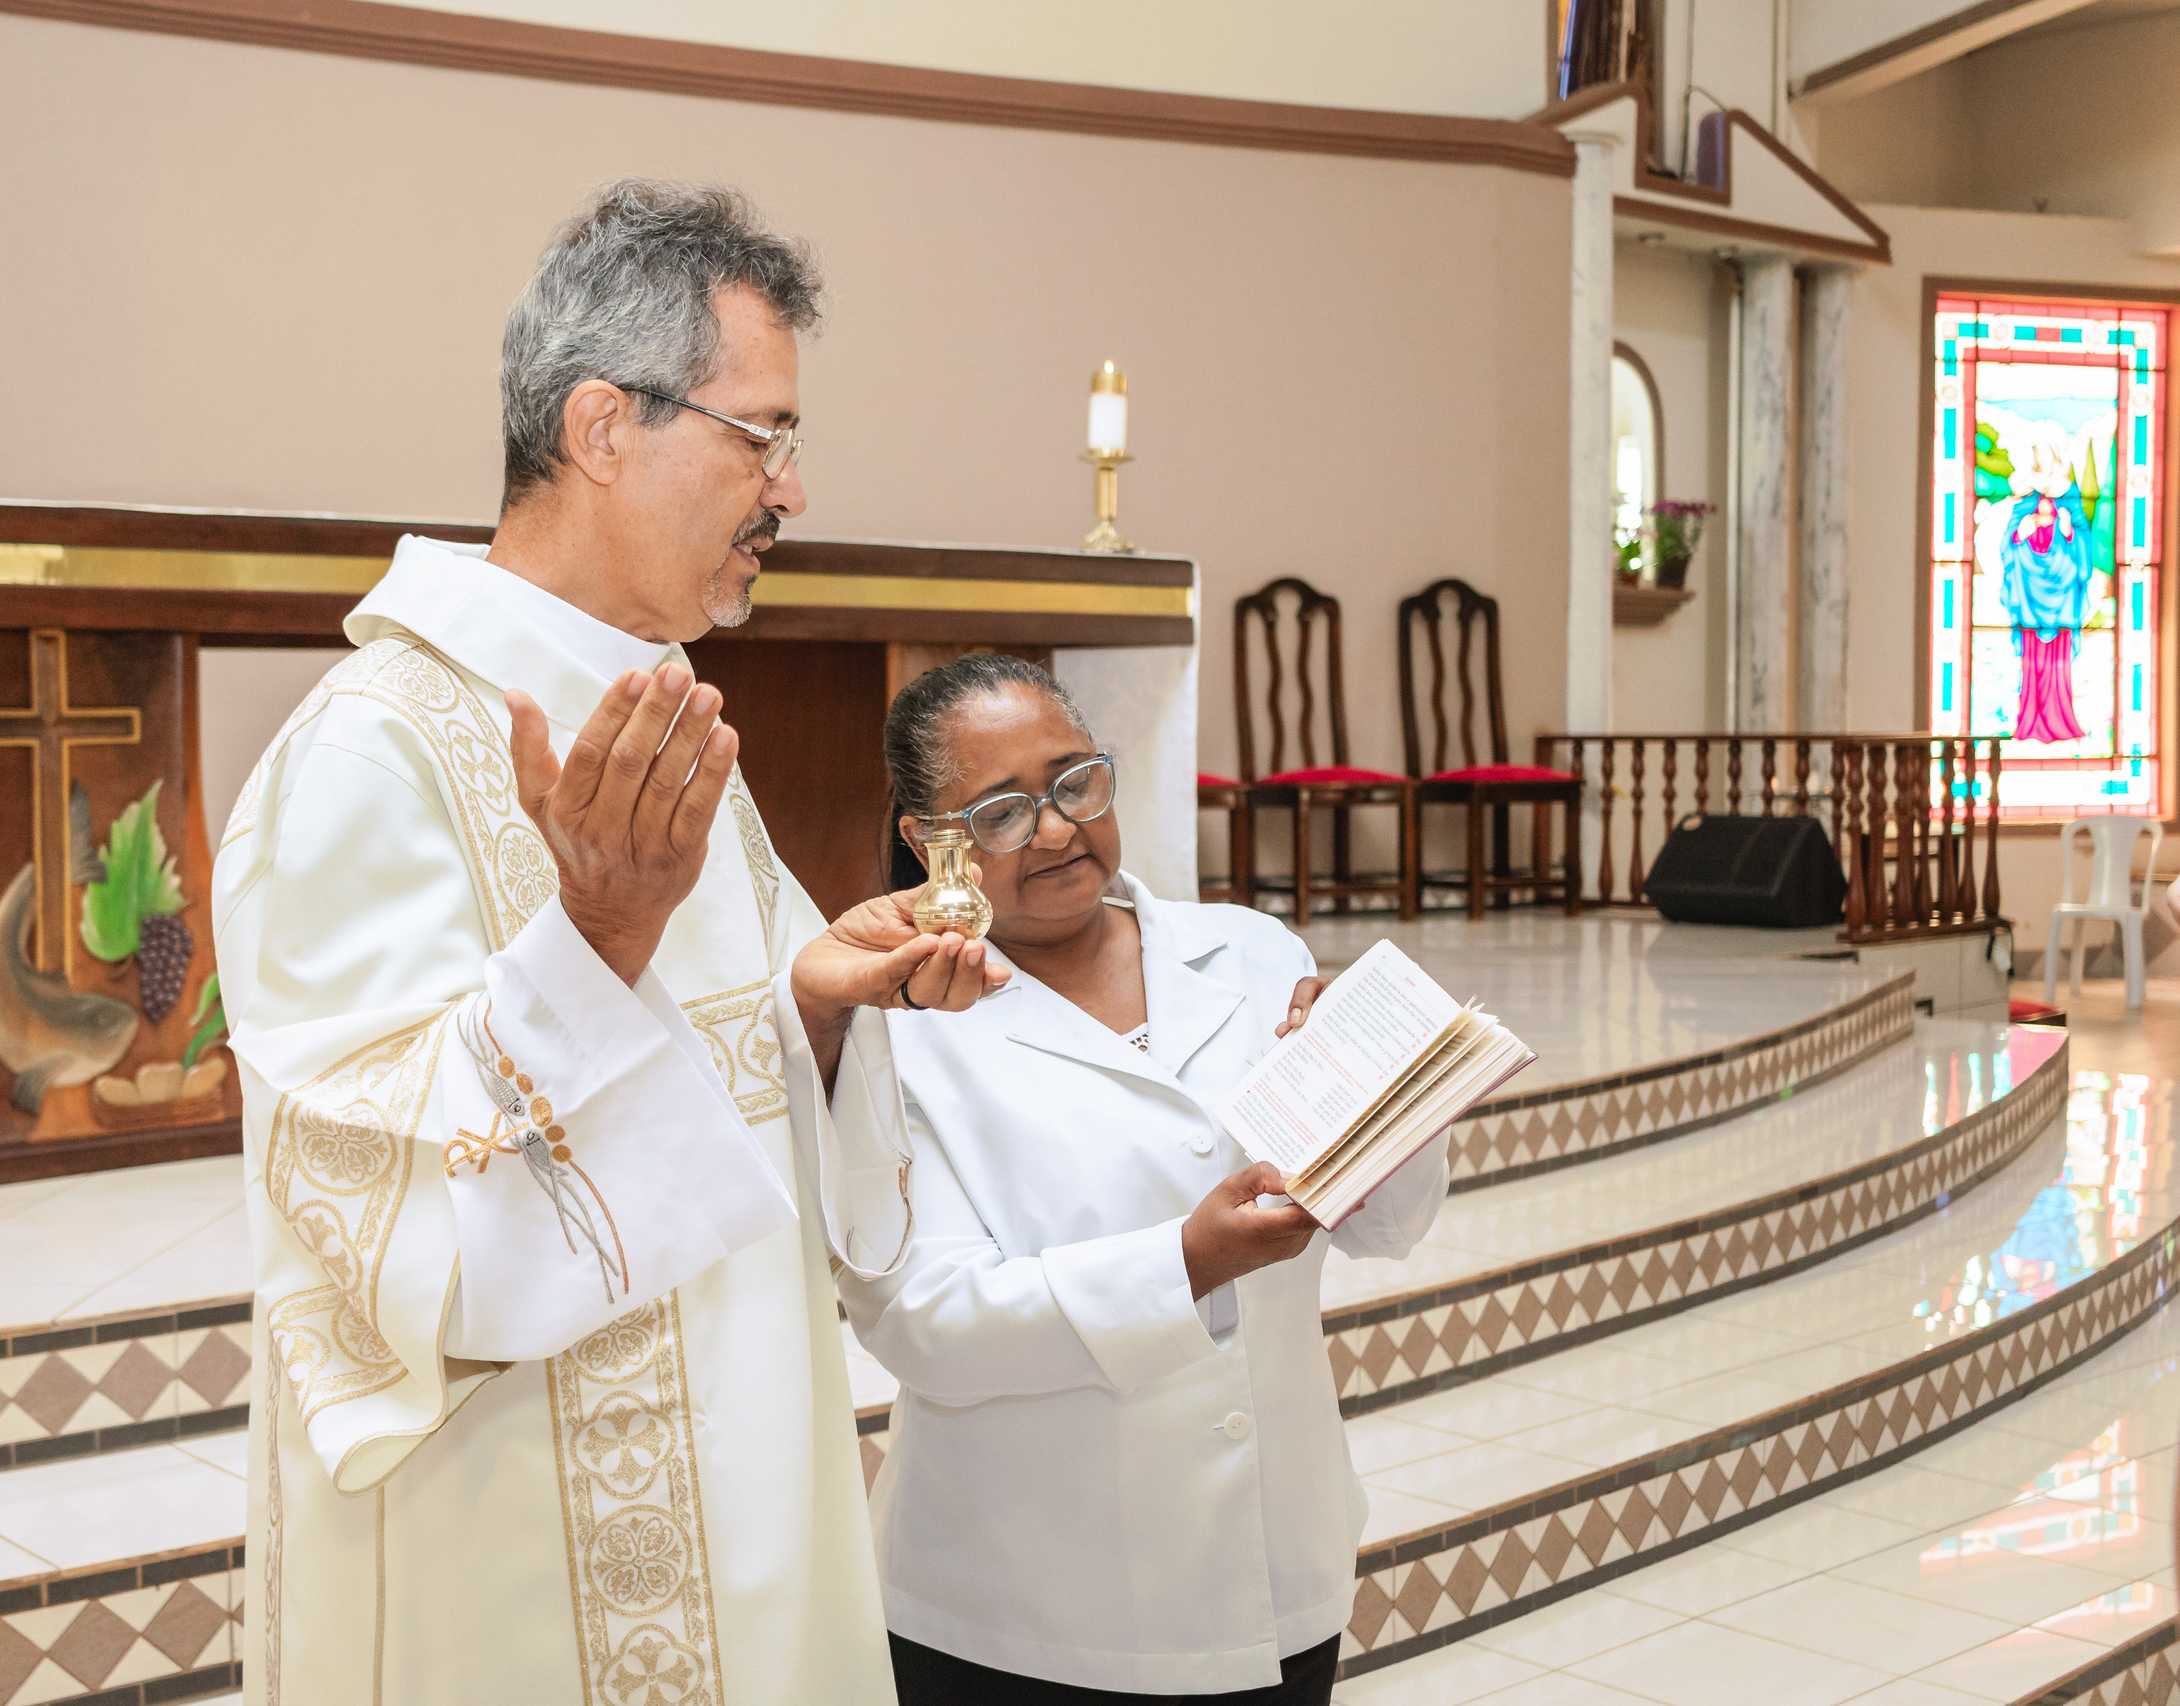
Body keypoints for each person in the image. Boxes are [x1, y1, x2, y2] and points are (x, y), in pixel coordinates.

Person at [214, 180, 1001, 1705]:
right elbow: (356, 1199)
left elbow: (734, 1071)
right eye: (763, 436)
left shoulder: (649, 706)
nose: (791, 490)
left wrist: (819, 1002)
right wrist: (593, 937)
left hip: (752, 1474)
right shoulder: (374, 752)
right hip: (512, 1554)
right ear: (603, 427)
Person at [837, 653, 1450, 1704]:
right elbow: (919, 1320)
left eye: (1076, 782)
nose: (1060, 828)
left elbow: (1384, 1225)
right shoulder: (896, 1027)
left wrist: (1390, 1097)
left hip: (1276, 1561)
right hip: (1025, 1606)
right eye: (1001, 812)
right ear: (925, 839)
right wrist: (1185, 1261)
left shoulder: (1249, 951)